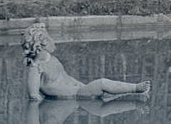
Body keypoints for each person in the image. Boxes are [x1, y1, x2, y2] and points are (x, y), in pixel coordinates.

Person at [22, 23, 150, 100]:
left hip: (79, 90)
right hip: (74, 96)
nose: (53, 41)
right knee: (102, 83)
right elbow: (33, 96)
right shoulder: (36, 67)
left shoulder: (52, 59)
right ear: (42, 43)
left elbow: (66, 77)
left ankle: (129, 93)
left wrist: (82, 86)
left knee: (106, 93)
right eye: (50, 39)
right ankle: (135, 88)